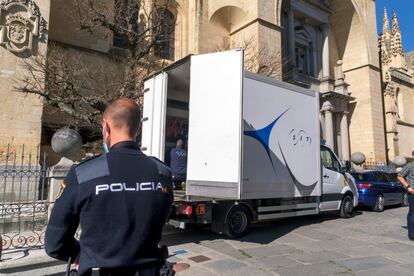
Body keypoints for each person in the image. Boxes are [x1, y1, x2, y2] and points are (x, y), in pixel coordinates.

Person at [45, 98, 174, 276]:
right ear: (139, 129)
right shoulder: (162, 173)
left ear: (105, 127)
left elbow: (54, 243)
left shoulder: (83, 173)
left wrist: (79, 252)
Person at [397, 150, 414, 241]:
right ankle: (412, 234)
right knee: (413, 213)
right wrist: (408, 187)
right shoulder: (410, 165)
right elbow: (399, 176)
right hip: (413, 193)